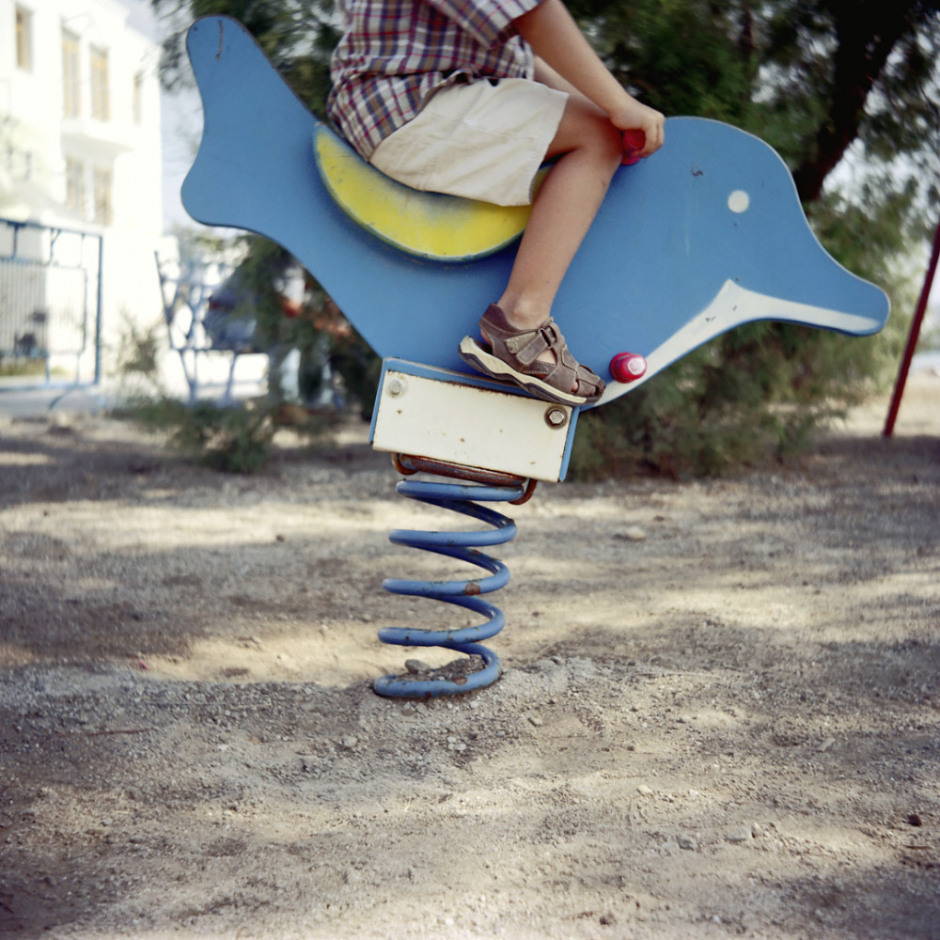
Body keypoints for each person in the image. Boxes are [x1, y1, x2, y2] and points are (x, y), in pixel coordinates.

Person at [328, 0, 664, 406]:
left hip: (414, 97)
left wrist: (603, 109)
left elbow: (523, 57)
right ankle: (522, 319)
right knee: (596, 137)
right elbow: (533, 14)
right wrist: (618, 105)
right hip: (406, 99)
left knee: (595, 126)